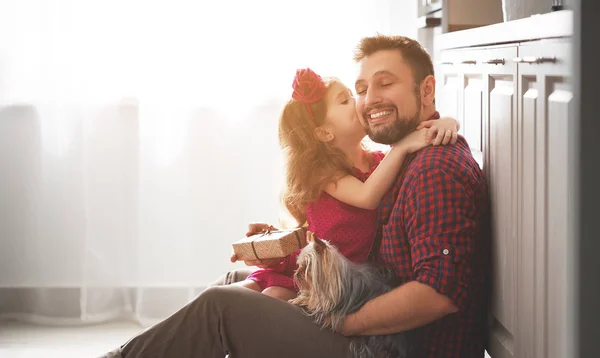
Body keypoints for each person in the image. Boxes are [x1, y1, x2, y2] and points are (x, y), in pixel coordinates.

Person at [100, 34, 490, 358]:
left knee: (222, 308)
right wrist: (290, 241)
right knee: (237, 279)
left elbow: (439, 295)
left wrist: (336, 320)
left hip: (380, 344)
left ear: (426, 89)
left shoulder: (434, 171)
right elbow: (352, 230)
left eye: (385, 84)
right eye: (361, 89)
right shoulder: (403, 152)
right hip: (359, 303)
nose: (368, 100)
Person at [232, 68, 460, 301]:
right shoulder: (325, 172)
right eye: (345, 100)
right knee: (252, 295)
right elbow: (367, 197)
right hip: (312, 271)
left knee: (272, 298)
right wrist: (401, 147)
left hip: (339, 280)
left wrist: (448, 122)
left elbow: (421, 130)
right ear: (324, 133)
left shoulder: (380, 163)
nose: (359, 101)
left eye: (352, 94)